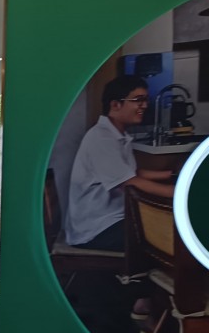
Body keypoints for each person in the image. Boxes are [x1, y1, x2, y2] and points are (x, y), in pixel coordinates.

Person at [66, 75, 175, 251]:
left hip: (115, 218)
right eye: (138, 100)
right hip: (98, 228)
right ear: (115, 104)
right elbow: (128, 181)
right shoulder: (101, 138)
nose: (144, 106)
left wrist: (172, 175)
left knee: (170, 228)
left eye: (145, 100)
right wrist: (176, 192)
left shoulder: (117, 135)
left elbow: (131, 173)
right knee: (170, 235)